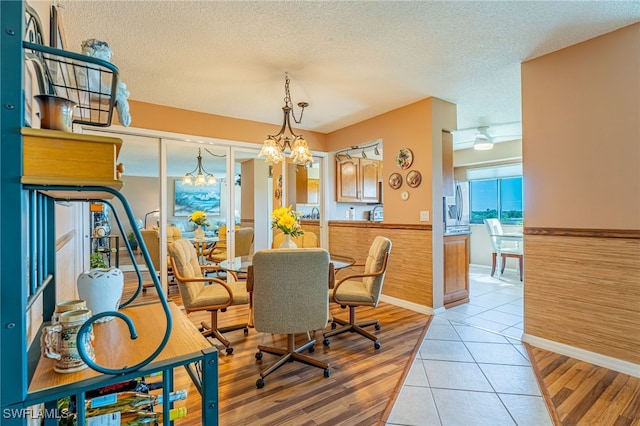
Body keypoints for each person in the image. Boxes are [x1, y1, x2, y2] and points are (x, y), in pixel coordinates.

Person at [80, 38, 131, 127]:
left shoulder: (90, 69)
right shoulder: (88, 67)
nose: (108, 59)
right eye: (107, 56)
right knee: (118, 94)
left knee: (118, 94)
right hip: (89, 88)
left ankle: (119, 97)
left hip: (89, 88)